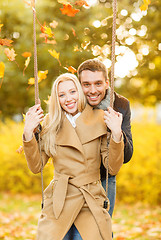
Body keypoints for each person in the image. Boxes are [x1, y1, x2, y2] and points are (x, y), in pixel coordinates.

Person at [23, 73, 124, 240]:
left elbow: (113, 167)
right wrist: (28, 132)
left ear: (80, 92)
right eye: (62, 95)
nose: (68, 98)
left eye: (72, 92)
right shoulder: (50, 122)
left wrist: (117, 134)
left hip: (90, 200)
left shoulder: (100, 118)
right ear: (57, 99)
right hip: (59, 201)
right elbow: (36, 167)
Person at [77, 58, 133, 217]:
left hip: (104, 178)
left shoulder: (120, 104)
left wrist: (116, 133)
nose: (93, 90)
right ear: (79, 84)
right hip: (75, 179)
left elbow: (127, 156)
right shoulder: (73, 102)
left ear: (107, 83)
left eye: (98, 84)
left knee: (102, 230)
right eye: (86, 84)